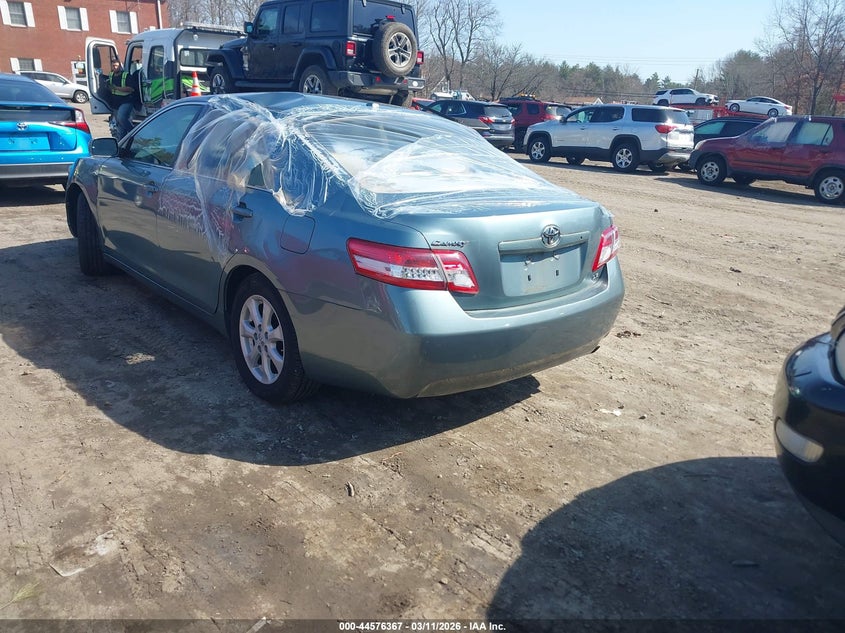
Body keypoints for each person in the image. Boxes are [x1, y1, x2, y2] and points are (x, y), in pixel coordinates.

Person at [102, 60, 140, 138]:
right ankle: (122, 141)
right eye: (113, 66)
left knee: (121, 118)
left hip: (127, 101)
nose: (115, 67)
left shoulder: (126, 75)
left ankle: (134, 133)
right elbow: (110, 89)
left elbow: (131, 89)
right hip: (115, 103)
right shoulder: (111, 75)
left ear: (120, 66)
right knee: (119, 124)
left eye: (116, 66)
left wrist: (116, 88)